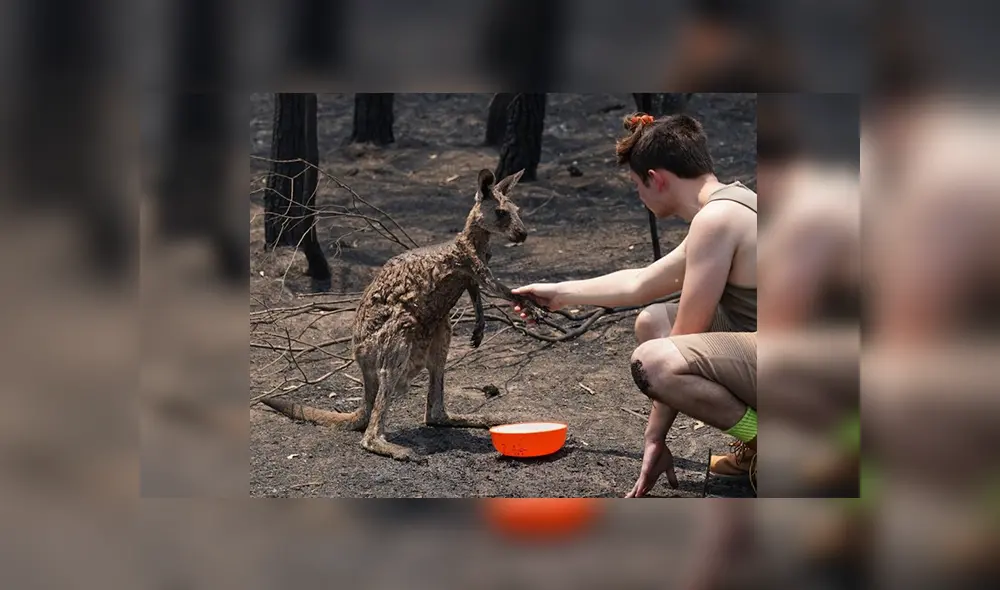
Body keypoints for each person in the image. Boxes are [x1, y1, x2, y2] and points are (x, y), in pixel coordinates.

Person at [512, 112, 757, 497]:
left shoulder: (717, 220)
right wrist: (558, 293)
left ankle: (766, 440)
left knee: (654, 361)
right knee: (652, 322)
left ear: (656, 179)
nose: (639, 196)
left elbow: (685, 336)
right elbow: (641, 283)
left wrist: (654, 436)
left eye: (636, 185)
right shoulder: (732, 204)